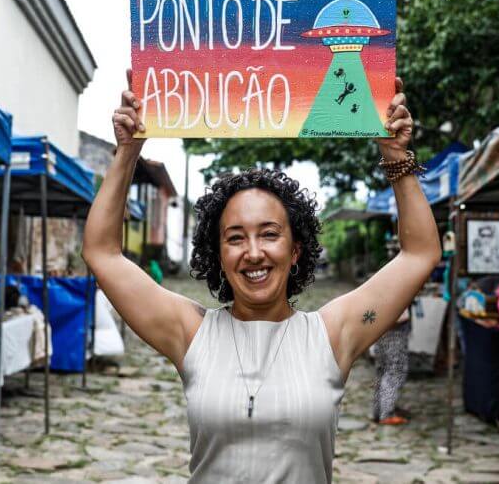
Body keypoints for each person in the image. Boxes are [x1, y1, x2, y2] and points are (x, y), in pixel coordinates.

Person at [82, 71, 440, 482]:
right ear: (218, 254)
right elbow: (101, 252)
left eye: (270, 234)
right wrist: (127, 153)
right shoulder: (190, 333)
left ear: (296, 249)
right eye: (236, 238)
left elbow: (420, 253)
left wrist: (397, 158)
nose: (254, 252)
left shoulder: (333, 334)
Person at [372, 309, 412, 425]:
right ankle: (386, 412)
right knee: (394, 371)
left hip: (380, 324)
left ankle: (379, 410)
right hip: (393, 324)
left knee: (382, 370)